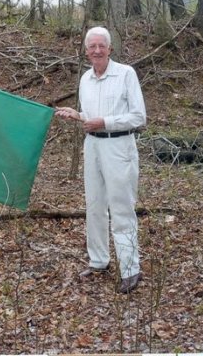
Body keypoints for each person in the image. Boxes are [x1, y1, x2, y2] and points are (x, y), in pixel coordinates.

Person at [55, 26, 146, 294]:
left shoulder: (126, 74)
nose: (96, 50)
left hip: (119, 146)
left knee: (121, 207)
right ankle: (99, 260)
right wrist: (79, 115)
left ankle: (131, 269)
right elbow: (91, 116)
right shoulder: (85, 79)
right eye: (92, 46)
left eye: (101, 46)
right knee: (94, 205)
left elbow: (139, 117)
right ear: (86, 51)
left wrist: (103, 122)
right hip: (93, 146)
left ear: (110, 49)